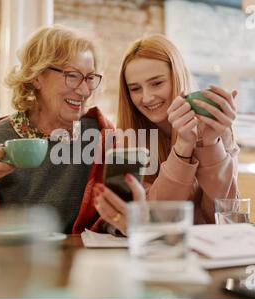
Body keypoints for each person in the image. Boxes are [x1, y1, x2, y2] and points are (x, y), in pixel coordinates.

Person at [0, 25, 114, 234]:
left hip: (81, 263)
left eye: (89, 78)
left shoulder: (101, 136)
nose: (85, 90)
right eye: (73, 76)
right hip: (12, 263)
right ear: (37, 76)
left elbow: (114, 220)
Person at [94, 34, 240, 235]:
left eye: (157, 83)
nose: (146, 97)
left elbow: (224, 214)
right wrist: (183, 146)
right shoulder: (129, 138)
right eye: (135, 88)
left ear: (177, 77)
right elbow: (155, 217)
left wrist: (209, 143)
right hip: (156, 251)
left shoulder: (215, 128)